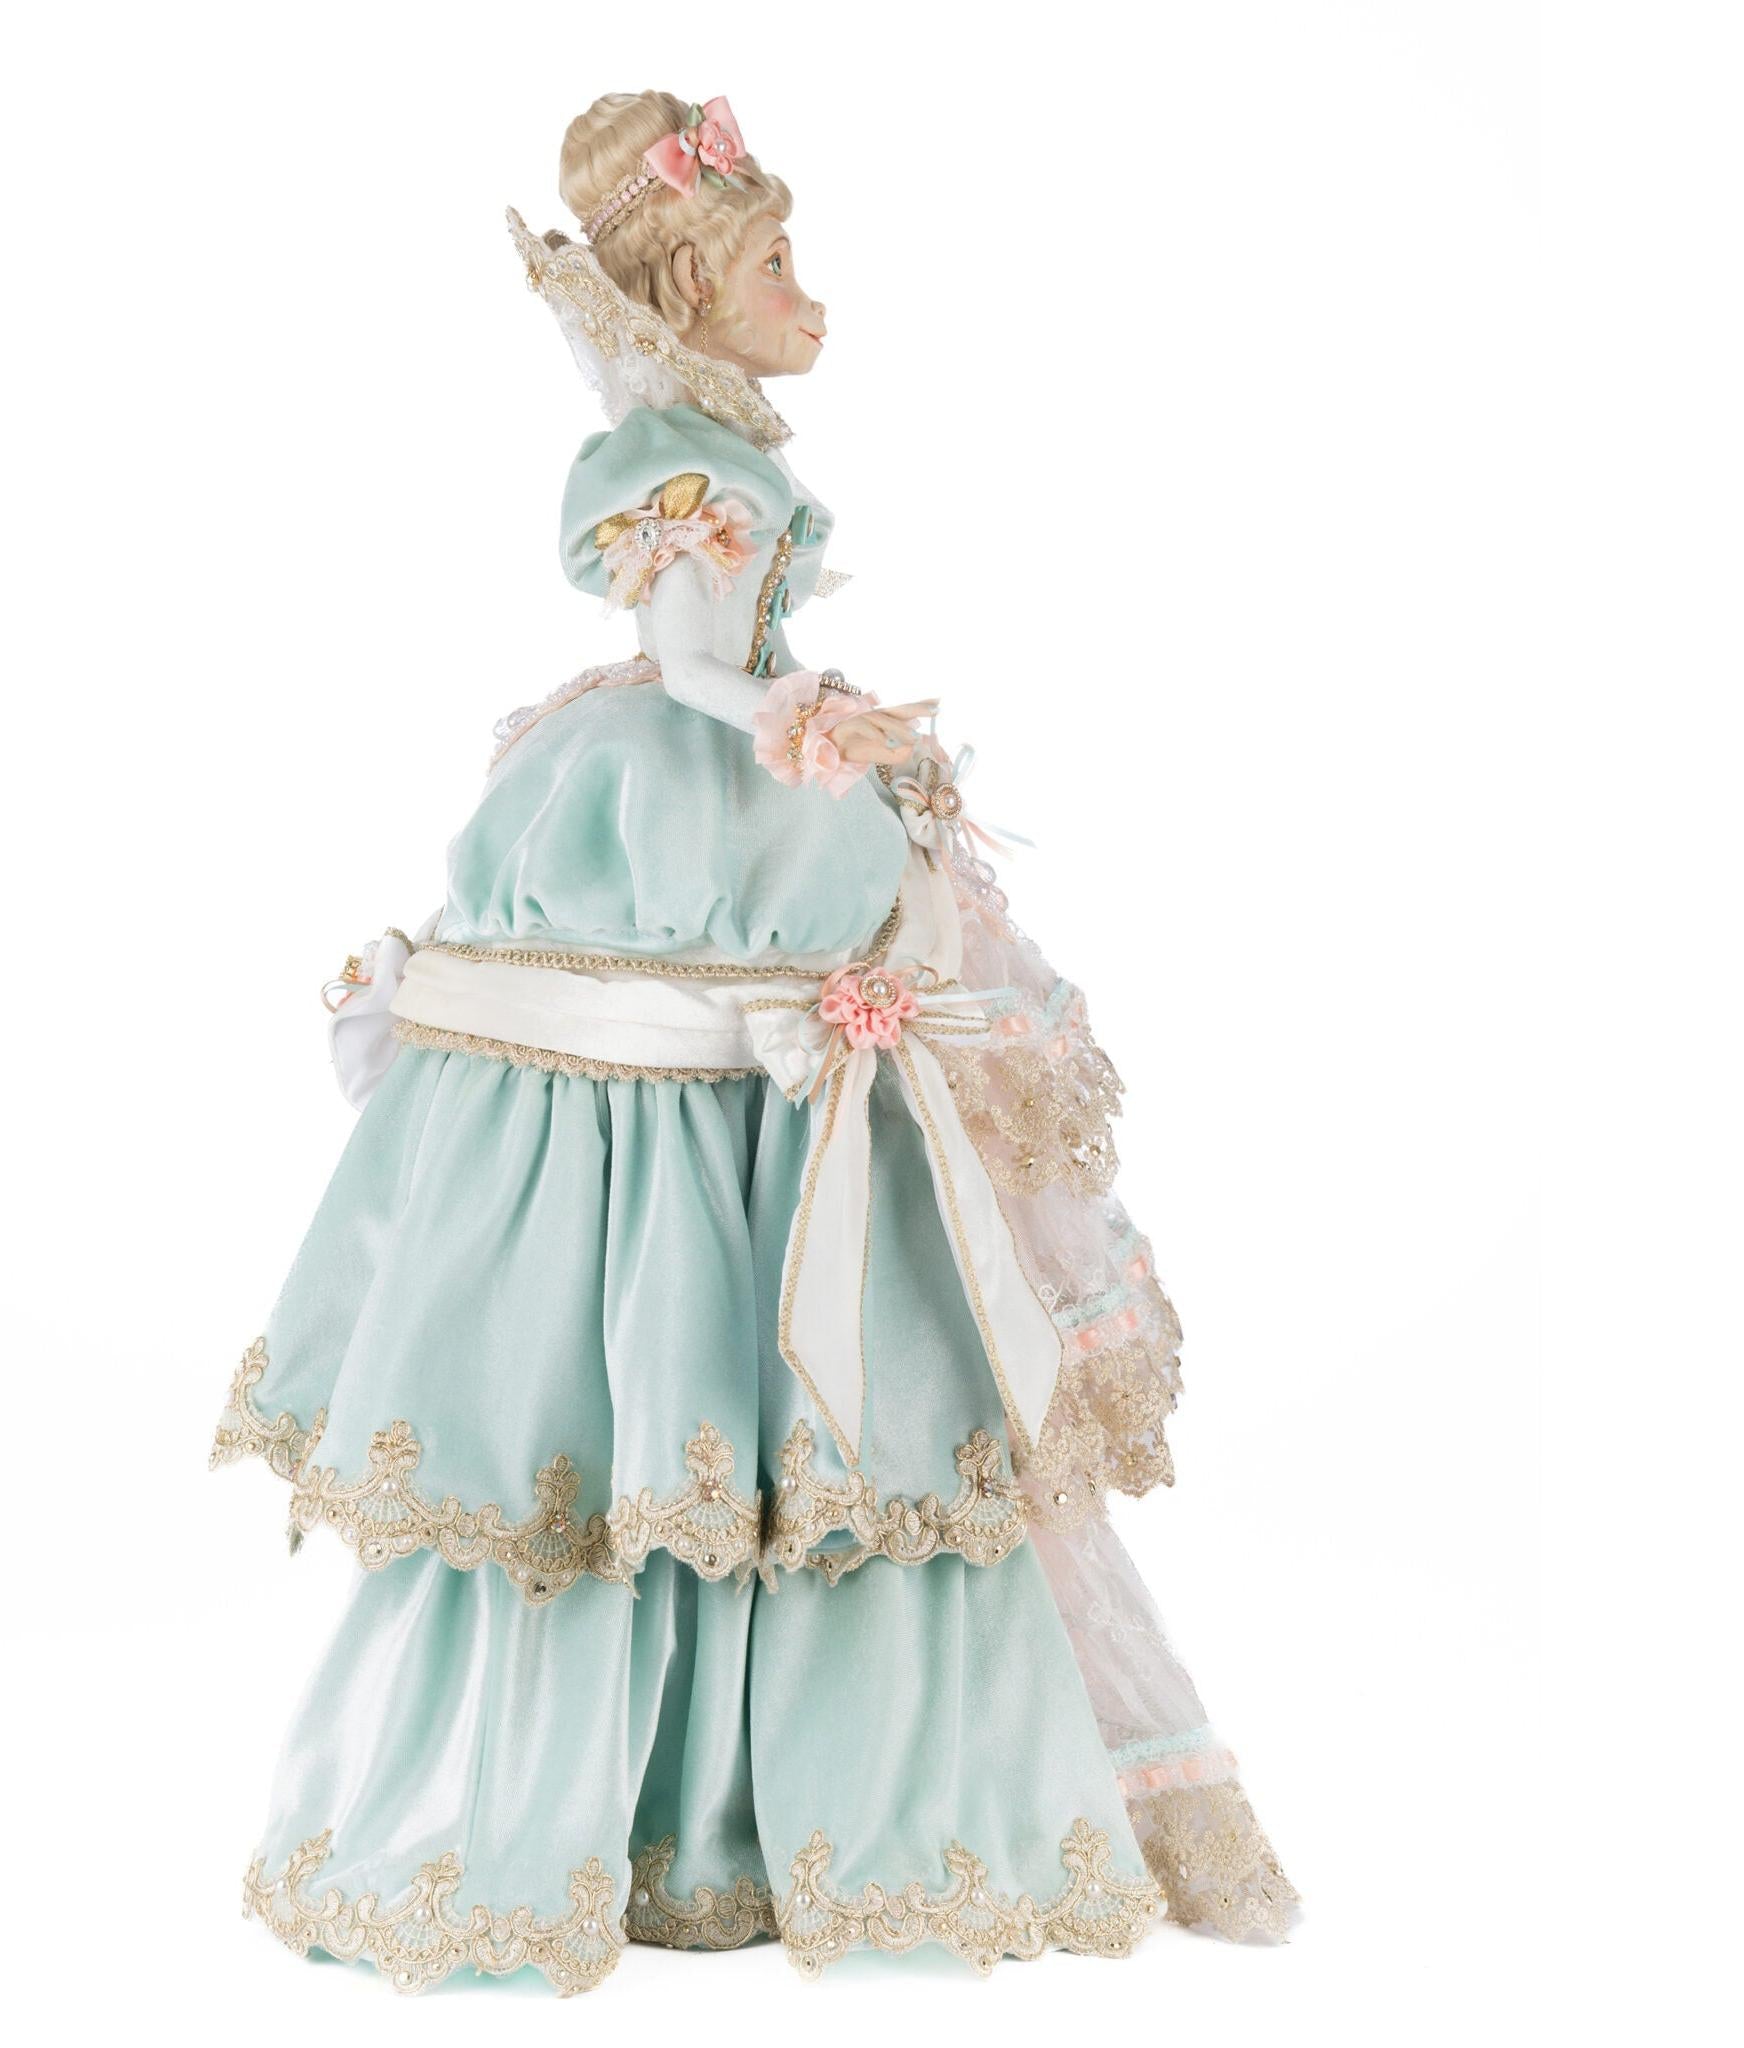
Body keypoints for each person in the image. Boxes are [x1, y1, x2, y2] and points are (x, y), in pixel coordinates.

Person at [213, 88, 1297, 1997]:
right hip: (702, 805)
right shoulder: (689, 470)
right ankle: (692, 1788)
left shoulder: (709, 445)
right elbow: (696, 661)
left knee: (782, 1165)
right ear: (696, 292)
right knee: (700, 1103)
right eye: (776, 261)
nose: (810, 293)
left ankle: (750, 1780)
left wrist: (811, 724)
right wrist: (801, 723)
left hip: (732, 811)